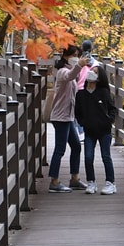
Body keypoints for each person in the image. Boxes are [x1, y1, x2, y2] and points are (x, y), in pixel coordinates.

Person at [47, 46, 87, 192]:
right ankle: (54, 181)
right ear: (66, 56)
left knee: (76, 146)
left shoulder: (70, 71)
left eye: (78, 56)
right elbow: (70, 75)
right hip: (60, 117)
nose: (76, 58)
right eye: (74, 55)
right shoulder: (63, 71)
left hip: (68, 117)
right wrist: (79, 65)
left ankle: (74, 179)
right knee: (60, 149)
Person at [75, 64, 118, 194]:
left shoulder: (103, 93)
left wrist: (108, 120)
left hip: (104, 131)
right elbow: (78, 112)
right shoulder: (81, 95)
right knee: (88, 157)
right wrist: (84, 122)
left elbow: (113, 109)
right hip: (89, 131)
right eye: (91, 71)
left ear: (99, 78)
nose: (91, 73)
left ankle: (110, 183)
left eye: (95, 72)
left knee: (106, 156)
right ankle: (91, 182)